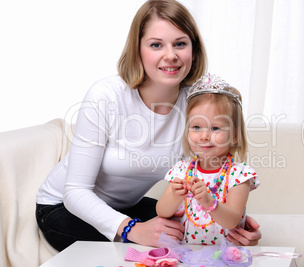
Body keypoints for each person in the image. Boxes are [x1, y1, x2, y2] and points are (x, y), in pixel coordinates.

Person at [35, 0, 261, 251]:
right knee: (155, 247)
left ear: (193, 51)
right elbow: (75, 192)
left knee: (182, 233)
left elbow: (211, 166)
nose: (171, 55)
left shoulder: (195, 106)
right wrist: (132, 229)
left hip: (126, 206)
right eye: (156, 45)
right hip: (62, 208)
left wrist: (233, 224)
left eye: (180, 43)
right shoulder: (106, 96)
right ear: (138, 50)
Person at [156, 74, 260, 245]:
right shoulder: (182, 170)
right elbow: (162, 211)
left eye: (215, 128)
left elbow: (232, 220)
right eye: (196, 127)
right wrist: (174, 195)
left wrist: (209, 201)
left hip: (223, 256)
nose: (204, 136)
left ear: (234, 136)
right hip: (185, 253)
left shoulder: (239, 175)